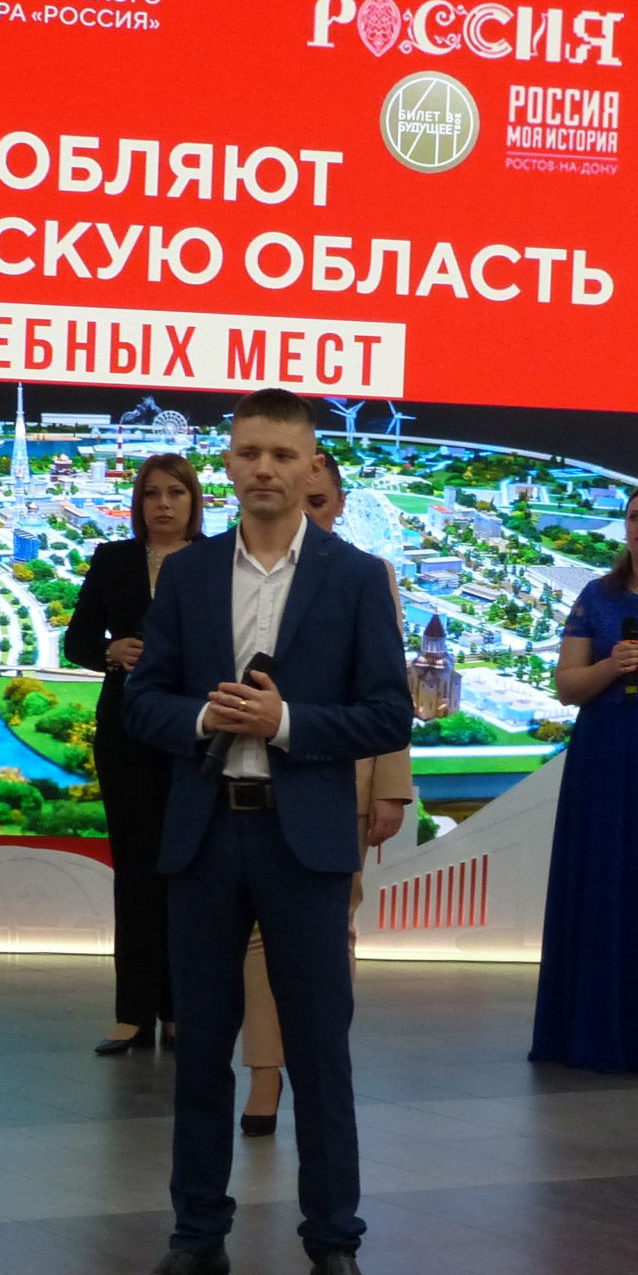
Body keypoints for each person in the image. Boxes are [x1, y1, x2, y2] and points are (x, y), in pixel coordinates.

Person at [118, 389, 413, 1275]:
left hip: (306, 843)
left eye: (284, 455)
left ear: (312, 465)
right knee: (200, 1048)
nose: (265, 470)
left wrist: (287, 722)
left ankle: (335, 1246)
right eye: (249, 453)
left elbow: (388, 712)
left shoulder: (355, 577)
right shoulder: (189, 575)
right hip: (206, 835)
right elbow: (143, 701)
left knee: (320, 1052)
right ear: (229, 463)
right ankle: (196, 1238)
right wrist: (205, 717)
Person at [234, 452, 414, 1134]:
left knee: (334, 929)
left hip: (344, 778)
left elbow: (387, 690)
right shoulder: (234, 572)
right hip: (252, 775)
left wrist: (391, 784)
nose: (303, 512)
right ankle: (264, 1075)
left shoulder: (367, 576)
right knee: (258, 933)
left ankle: (321, 1065)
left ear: (338, 506)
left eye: (318, 502)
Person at [530, 483, 638, 1076]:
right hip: (603, 757)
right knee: (602, 880)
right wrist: (610, 666)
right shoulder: (597, 596)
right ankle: (594, 1031)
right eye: (634, 516)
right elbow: (566, 686)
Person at [65, 453, 206, 1055]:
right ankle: (132, 1013)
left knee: (186, 870)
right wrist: (110, 650)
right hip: (125, 731)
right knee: (136, 869)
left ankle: (178, 1011)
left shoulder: (215, 561)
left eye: (176, 493)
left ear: (194, 501)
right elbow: (76, 640)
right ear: (138, 502)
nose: (164, 504)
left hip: (193, 732)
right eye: (152, 493)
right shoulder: (113, 559)